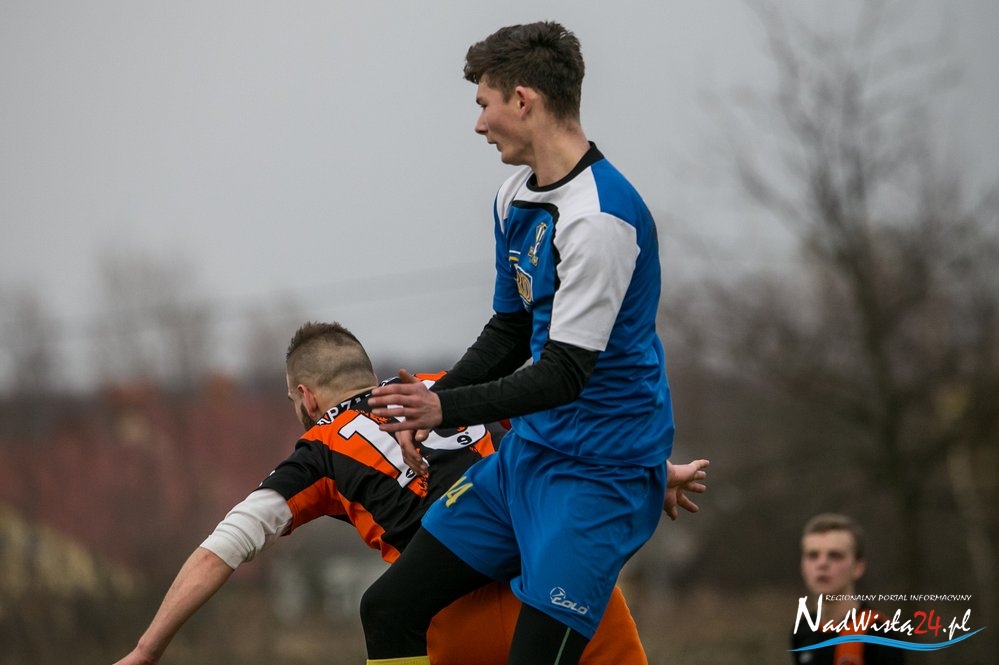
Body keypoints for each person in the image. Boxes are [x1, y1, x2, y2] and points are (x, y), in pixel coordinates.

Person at [112, 321, 708, 665]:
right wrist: (653, 473)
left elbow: (222, 548)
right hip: (566, 587)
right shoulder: (445, 389)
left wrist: (146, 648)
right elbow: (555, 440)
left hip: (447, 618)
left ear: (305, 397)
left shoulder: (318, 448)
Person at [363, 21, 678, 665]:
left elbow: (564, 374)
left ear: (524, 100)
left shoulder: (599, 220)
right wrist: (432, 411)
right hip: (527, 457)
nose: (479, 125)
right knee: (388, 609)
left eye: (485, 104)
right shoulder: (515, 196)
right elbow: (509, 330)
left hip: (599, 479)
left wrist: (445, 407)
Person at [791, 513, 905, 665]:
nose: (822, 564)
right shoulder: (802, 631)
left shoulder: (878, 634)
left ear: (858, 567)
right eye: (813, 555)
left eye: (835, 556)